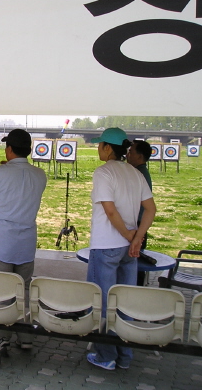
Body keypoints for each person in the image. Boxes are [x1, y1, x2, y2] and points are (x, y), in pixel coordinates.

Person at [86, 128, 156, 371]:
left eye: (100, 145)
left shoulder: (103, 172)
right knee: (124, 303)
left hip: (106, 246)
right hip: (128, 250)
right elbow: (151, 209)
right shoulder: (134, 172)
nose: (98, 148)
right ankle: (125, 356)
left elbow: (110, 210)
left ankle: (106, 356)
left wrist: (129, 235)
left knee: (102, 302)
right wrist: (136, 238)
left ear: (108, 148)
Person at [0, 128, 47, 350]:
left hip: (2, 241)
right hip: (26, 241)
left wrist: (1, 171)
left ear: (10, 150)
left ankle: (2, 337)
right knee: (24, 289)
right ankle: (25, 338)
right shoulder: (40, 175)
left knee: (2, 290)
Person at [127, 139, 153, 285]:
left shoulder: (138, 174)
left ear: (140, 156)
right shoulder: (138, 172)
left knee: (134, 265)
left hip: (136, 225)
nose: (127, 155)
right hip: (137, 224)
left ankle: (136, 292)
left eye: (131, 152)